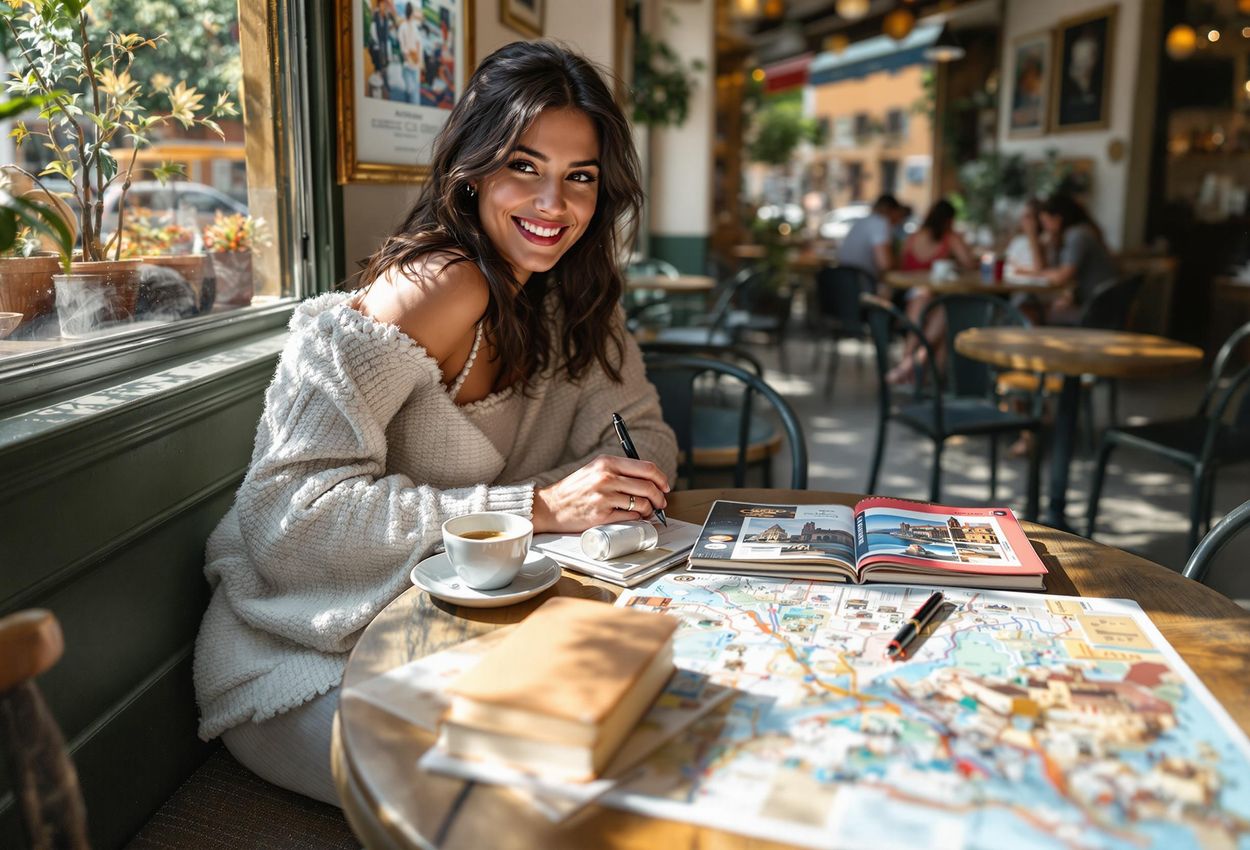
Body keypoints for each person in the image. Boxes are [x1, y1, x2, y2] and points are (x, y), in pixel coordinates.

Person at [193, 41, 678, 806]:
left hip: (471, 631)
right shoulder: (435, 285)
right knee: (545, 789)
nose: (554, 204)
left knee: (645, 729)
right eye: (525, 166)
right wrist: (541, 509)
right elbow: (286, 521)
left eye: (578, 177)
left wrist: (582, 496)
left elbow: (643, 440)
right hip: (307, 655)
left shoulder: (581, 298)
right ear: (474, 163)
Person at [887, 199, 975, 385]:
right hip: (917, 298)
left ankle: (908, 363)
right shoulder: (949, 237)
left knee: (941, 312)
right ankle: (922, 373)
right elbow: (970, 264)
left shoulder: (913, 236)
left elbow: (899, 265)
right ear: (949, 220)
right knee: (935, 306)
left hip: (907, 299)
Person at [1034, 193, 1117, 324]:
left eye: (1045, 222)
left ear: (1057, 219)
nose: (1044, 228)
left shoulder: (1078, 235)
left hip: (1099, 309)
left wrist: (1033, 273)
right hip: (1100, 304)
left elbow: (1062, 277)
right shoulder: (1081, 232)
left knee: (1034, 312)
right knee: (1048, 308)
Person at [836, 193, 909, 281]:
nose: (898, 220)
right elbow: (885, 264)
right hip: (860, 283)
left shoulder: (862, 221)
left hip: (842, 281)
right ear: (893, 211)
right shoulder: (880, 223)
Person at [396, 3, 422, 104]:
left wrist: (416, 59)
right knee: (412, 91)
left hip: (412, 61)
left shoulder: (408, 26)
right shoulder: (406, 27)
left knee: (412, 90)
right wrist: (413, 59)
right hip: (410, 61)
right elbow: (407, 46)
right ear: (411, 13)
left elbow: (416, 43)